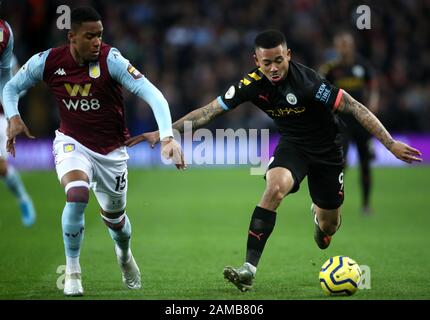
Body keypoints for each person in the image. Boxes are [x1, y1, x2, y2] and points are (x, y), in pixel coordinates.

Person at [125, 29, 422, 292]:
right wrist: (166, 132)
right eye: (266, 62)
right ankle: (248, 270)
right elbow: (207, 112)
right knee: (274, 187)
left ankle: (320, 220)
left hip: (328, 152)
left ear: (288, 55)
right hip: (293, 147)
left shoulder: (309, 82)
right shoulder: (251, 84)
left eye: (279, 60)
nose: (274, 68)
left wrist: (390, 143)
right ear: (257, 61)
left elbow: (355, 107)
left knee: (328, 227)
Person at [3, 7, 185, 296]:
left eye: (100, 35)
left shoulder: (111, 60)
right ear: (72, 37)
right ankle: (73, 271)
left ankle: (124, 255)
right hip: (71, 143)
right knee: (76, 195)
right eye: (90, 36)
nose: (97, 41)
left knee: (117, 223)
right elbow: (11, 88)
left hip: (112, 153)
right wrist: (13, 116)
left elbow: (154, 94)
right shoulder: (48, 61)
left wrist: (167, 137)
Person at [320, 31, 379, 214]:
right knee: (340, 163)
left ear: (352, 45)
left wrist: (372, 106)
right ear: (336, 47)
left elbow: (373, 87)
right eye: (341, 44)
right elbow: (321, 90)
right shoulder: (331, 68)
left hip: (361, 122)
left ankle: (366, 204)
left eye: (346, 44)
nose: (344, 48)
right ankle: (334, 202)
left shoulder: (363, 65)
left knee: (365, 163)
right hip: (340, 122)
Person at [0, 18, 36, 227]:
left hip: (0, 111)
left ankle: (23, 198)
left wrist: (12, 110)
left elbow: (16, 83)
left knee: (2, 167)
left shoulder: (5, 38)